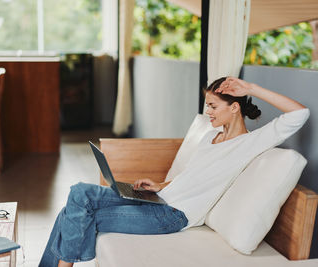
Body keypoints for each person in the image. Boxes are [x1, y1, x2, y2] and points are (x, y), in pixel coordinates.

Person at [39, 77, 309, 267]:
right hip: (160, 200)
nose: (208, 112)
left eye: (213, 106)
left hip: (172, 217)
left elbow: (300, 113)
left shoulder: (249, 143)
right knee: (78, 193)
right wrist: (160, 185)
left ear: (235, 107)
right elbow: (194, 177)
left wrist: (251, 87)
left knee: (73, 214)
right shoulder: (210, 137)